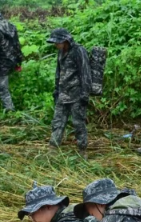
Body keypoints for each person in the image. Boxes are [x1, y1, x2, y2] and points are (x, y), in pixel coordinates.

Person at [47, 28, 91, 157]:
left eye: (57, 42)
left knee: (78, 124)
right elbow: (58, 72)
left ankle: (82, 151)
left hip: (76, 94)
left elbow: (85, 73)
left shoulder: (78, 51)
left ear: (65, 40)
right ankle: (53, 149)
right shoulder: (61, 52)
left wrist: (85, 94)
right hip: (63, 93)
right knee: (57, 122)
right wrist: (56, 90)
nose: (55, 45)